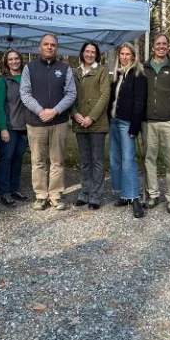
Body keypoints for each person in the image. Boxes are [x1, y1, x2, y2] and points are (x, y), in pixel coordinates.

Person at [20, 34, 77, 211]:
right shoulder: (29, 68)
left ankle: (55, 194)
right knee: (38, 161)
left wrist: (55, 111)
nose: (49, 47)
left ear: (56, 48)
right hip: (36, 122)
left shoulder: (65, 69)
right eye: (46, 44)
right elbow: (25, 93)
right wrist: (40, 111)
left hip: (58, 122)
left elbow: (71, 94)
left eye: (53, 45)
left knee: (57, 160)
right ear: (40, 47)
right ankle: (40, 195)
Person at [142, 33, 170, 213]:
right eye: (158, 43)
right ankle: (153, 194)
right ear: (153, 47)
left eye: (164, 43)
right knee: (149, 160)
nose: (161, 46)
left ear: (168, 47)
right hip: (149, 122)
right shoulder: (144, 67)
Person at [108, 42, 148, 218]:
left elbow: (140, 103)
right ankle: (124, 194)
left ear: (133, 56)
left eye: (127, 54)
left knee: (128, 161)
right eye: (122, 54)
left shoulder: (138, 75)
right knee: (115, 160)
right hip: (114, 122)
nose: (124, 57)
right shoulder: (117, 75)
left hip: (127, 124)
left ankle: (135, 198)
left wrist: (135, 126)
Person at [71, 41, 110, 210]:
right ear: (82, 53)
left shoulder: (101, 71)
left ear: (96, 54)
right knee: (85, 161)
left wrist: (91, 117)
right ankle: (84, 193)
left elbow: (105, 96)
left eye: (92, 52)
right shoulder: (75, 72)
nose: (89, 54)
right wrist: (74, 114)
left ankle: (96, 195)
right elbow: (69, 94)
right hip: (79, 122)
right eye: (87, 51)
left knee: (97, 161)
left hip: (96, 124)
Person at [0, 49, 29, 206]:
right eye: (10, 60)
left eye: (16, 59)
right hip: (9, 126)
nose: (14, 61)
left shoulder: (27, 78)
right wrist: (3, 128)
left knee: (18, 158)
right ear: (6, 63)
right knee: (6, 159)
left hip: (24, 126)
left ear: (20, 60)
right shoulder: (3, 80)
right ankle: (4, 192)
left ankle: (15, 189)